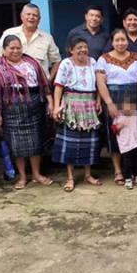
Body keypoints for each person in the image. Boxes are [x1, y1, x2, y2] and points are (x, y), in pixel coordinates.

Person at [0, 35, 54, 190]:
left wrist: (50, 103)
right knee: (16, 145)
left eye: (18, 48)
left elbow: (44, 84)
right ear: (4, 50)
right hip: (11, 108)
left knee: (36, 142)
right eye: (12, 48)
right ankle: (22, 176)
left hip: (35, 106)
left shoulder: (32, 62)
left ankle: (36, 174)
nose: (16, 51)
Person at [96, 28, 137, 186]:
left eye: (123, 40)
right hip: (113, 97)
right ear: (112, 42)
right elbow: (101, 83)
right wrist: (109, 103)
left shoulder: (136, 57)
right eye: (117, 40)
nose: (121, 43)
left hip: (133, 97)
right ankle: (118, 171)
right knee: (116, 133)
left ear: (127, 41)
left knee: (134, 134)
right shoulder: (104, 59)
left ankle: (136, 171)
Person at [52, 36, 103, 192]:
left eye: (85, 47)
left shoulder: (93, 62)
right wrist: (56, 107)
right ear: (71, 50)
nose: (83, 50)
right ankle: (70, 178)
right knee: (71, 143)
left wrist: (99, 101)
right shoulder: (66, 64)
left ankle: (88, 175)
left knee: (90, 142)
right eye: (79, 47)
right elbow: (59, 87)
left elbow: (99, 84)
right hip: (72, 104)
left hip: (89, 104)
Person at [0, 3, 61, 76]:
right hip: (13, 84)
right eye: (28, 14)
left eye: (35, 15)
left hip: (39, 85)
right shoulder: (9, 33)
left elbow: (57, 61)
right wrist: (2, 76)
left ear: (39, 19)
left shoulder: (47, 38)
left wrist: (48, 80)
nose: (31, 17)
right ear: (22, 16)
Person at [113, 102, 137, 189]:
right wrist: (119, 127)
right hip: (126, 144)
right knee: (127, 163)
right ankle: (128, 178)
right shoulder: (119, 116)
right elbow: (114, 129)